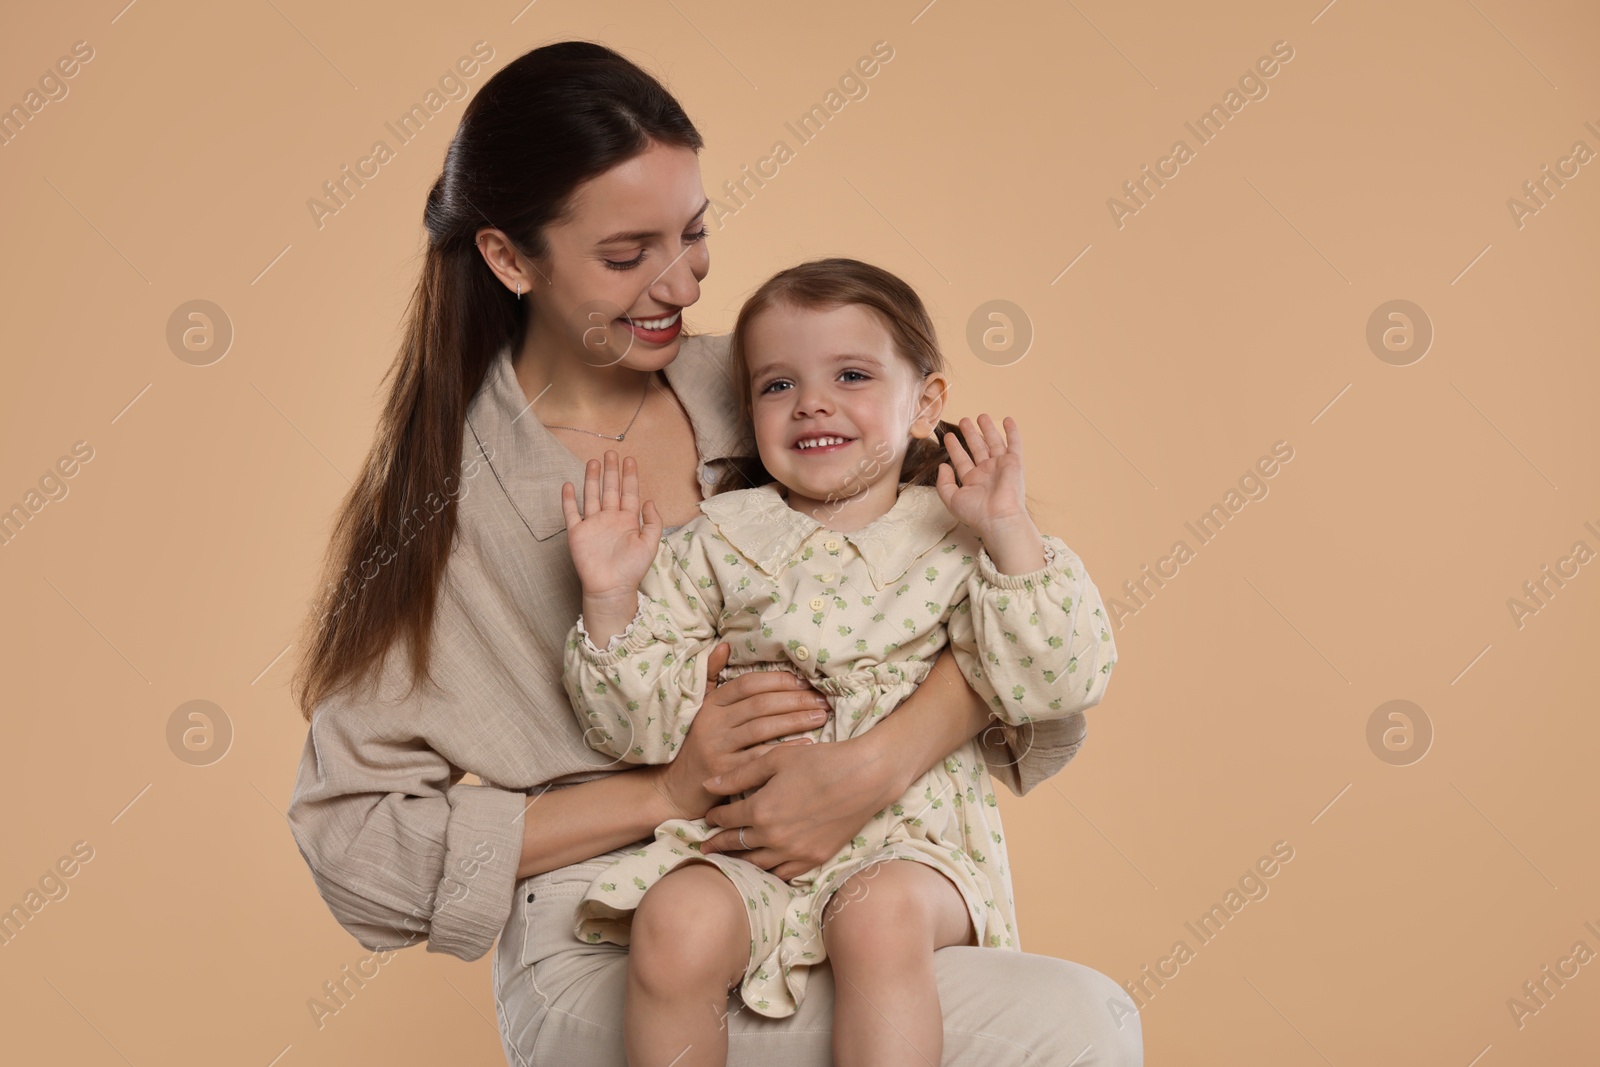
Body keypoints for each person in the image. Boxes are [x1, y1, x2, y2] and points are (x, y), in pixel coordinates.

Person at [285, 40, 1142, 1066]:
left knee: (1049, 1010)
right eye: (625, 254)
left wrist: (878, 759)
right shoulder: (443, 502)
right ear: (510, 258)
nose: (679, 282)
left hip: (848, 879)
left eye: (693, 234)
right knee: (1069, 1030)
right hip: (616, 923)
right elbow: (356, 842)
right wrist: (665, 793)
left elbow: (988, 612)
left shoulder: (775, 376)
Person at [559, 257, 1117, 1066]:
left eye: (851, 374)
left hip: (913, 850)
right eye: (777, 385)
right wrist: (609, 598)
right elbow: (634, 729)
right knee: (674, 922)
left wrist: (1008, 529)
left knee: (875, 915)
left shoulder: (959, 534)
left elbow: (1061, 678)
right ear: (748, 413)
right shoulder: (720, 538)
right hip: (757, 846)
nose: (811, 401)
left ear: (926, 400)